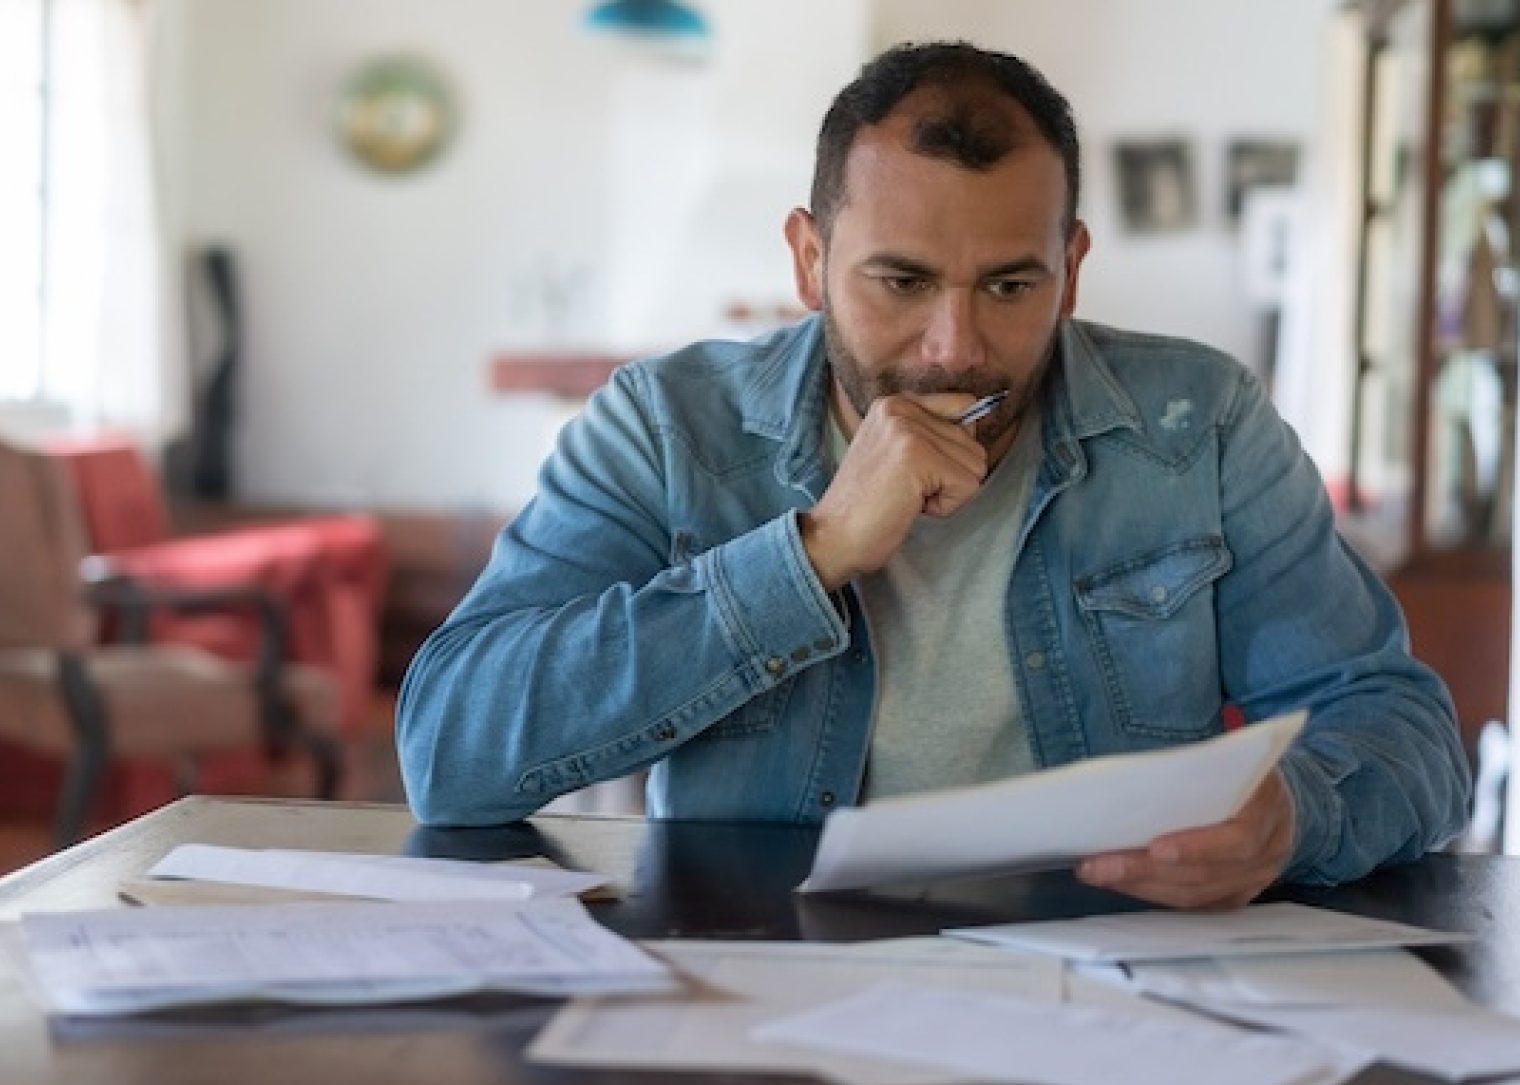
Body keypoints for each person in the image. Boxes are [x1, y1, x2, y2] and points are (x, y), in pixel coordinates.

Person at [397, 41, 1471, 909]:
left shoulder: (1199, 422)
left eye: (1010, 285)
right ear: (808, 260)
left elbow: (1399, 725)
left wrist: (1292, 818)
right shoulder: (665, 426)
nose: (953, 346)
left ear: (1072, 266)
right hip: (763, 983)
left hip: (1109, 988)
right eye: (899, 281)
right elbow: (449, 753)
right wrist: (810, 557)